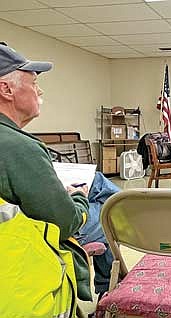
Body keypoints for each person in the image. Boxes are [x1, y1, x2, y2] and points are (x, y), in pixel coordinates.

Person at [0, 44, 93, 308]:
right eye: (34, 82)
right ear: (7, 90)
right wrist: (78, 199)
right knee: (101, 203)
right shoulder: (19, 147)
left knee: (100, 186)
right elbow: (65, 222)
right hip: (24, 272)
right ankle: (108, 293)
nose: (40, 91)